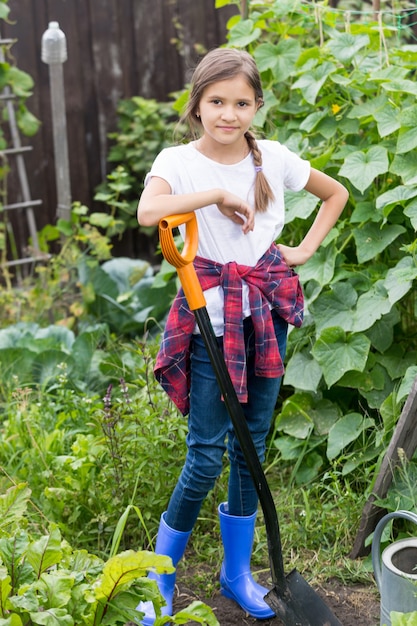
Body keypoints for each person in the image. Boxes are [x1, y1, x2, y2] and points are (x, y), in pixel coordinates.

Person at [135, 47, 348, 624]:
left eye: (242, 103)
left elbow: (336, 194)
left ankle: (236, 575)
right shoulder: (178, 160)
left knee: (250, 448)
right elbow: (147, 214)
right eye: (217, 102)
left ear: (257, 106)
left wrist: (302, 250)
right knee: (204, 454)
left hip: (267, 312)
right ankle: (160, 579)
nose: (229, 114)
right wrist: (215, 196)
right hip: (210, 315)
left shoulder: (274, 158)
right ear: (198, 105)